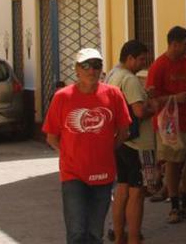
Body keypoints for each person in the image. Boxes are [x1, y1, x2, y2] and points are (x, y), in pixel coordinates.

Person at [43, 48, 132, 244]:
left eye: (96, 66)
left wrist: (107, 149)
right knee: (76, 232)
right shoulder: (62, 97)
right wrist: (68, 154)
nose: (91, 70)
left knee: (94, 232)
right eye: (85, 66)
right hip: (73, 174)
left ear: (101, 69)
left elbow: (124, 131)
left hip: (103, 173)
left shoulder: (114, 94)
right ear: (76, 69)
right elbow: (51, 136)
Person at [147, 26, 186, 223]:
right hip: (169, 125)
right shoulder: (158, 66)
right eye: (185, 44)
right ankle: (174, 205)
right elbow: (152, 99)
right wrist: (175, 98)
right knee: (173, 164)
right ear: (173, 44)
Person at [105, 40, 154, 244]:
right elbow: (139, 111)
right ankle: (133, 237)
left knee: (122, 188)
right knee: (137, 192)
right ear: (130, 58)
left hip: (121, 140)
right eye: (142, 59)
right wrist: (154, 106)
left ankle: (119, 236)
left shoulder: (112, 75)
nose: (144, 63)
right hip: (138, 144)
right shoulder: (130, 79)